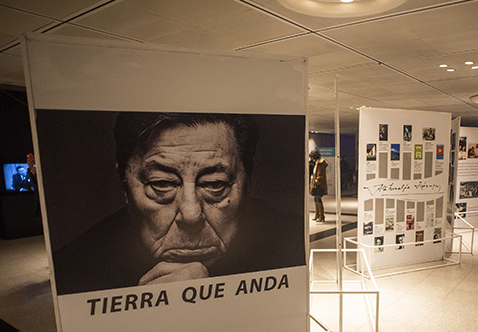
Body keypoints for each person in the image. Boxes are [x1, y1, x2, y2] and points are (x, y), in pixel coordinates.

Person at [52, 112, 304, 295]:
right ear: (125, 186)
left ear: (246, 185)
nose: (192, 214)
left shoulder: (288, 240)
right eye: (161, 183)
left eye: (215, 184)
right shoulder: (74, 274)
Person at [309, 149, 328, 222]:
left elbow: (320, 174)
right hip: (316, 184)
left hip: (318, 185)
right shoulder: (317, 162)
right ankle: (317, 214)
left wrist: (317, 182)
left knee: (318, 199)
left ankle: (321, 215)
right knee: (316, 199)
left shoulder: (320, 163)